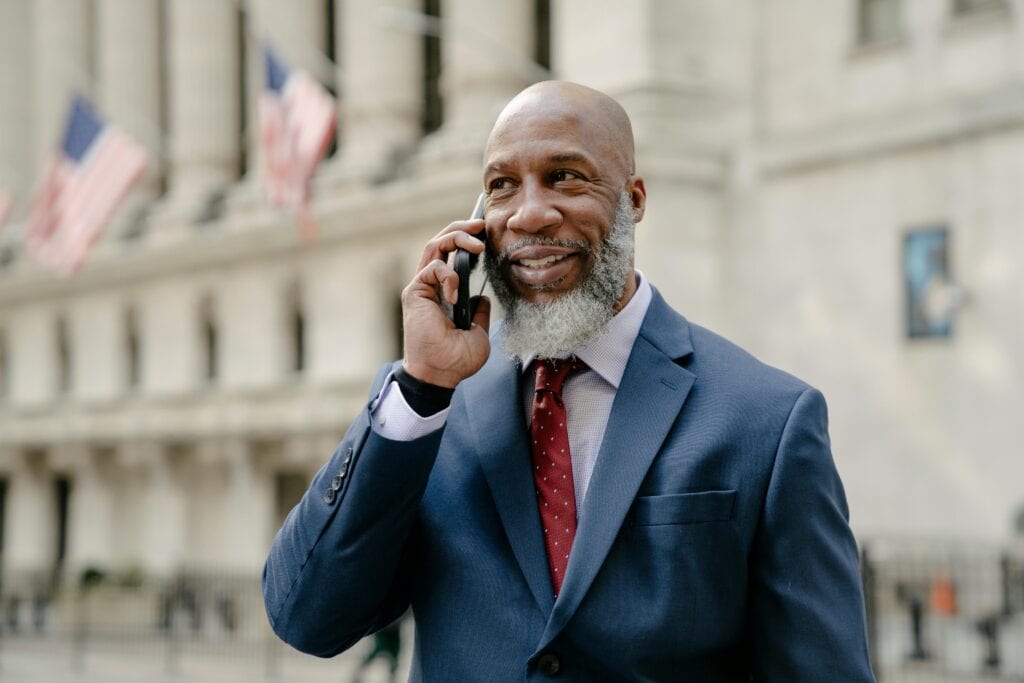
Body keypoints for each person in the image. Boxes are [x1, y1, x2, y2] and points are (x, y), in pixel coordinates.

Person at [263, 81, 875, 681]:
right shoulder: (429, 409)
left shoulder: (767, 419)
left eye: (565, 176)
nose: (530, 213)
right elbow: (307, 619)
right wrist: (422, 387)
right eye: (502, 186)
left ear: (632, 199)